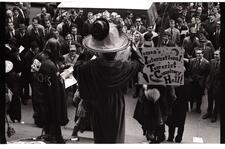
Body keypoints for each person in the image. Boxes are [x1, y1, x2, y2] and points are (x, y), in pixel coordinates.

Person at [77, 18, 144, 143]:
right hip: (116, 105)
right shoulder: (123, 66)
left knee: (100, 137)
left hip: (97, 104)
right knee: (115, 136)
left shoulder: (89, 67)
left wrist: (87, 51)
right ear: (116, 50)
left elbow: (78, 69)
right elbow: (140, 63)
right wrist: (133, 47)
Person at [31, 38, 69, 143]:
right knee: (54, 114)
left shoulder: (38, 57)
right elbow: (56, 83)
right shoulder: (51, 65)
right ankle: (55, 136)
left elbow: (33, 73)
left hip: (40, 91)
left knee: (46, 115)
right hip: (51, 93)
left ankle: (48, 133)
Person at [202, 50, 221, 122]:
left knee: (217, 101)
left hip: (218, 86)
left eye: (217, 54)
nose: (215, 56)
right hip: (211, 85)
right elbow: (209, 73)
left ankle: (214, 115)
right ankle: (209, 113)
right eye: (214, 54)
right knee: (210, 100)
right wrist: (207, 83)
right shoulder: (212, 61)